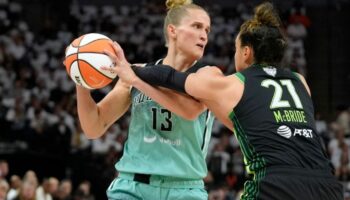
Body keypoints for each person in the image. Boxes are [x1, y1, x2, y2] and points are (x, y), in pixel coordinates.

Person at [106, 2, 343, 199]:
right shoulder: (300, 82)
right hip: (326, 183)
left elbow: (170, 77)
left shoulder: (234, 83)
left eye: (236, 49)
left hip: (275, 183)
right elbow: (258, 123)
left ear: (246, 52)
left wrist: (132, 72)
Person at [72, 0, 214, 199]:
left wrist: (136, 80)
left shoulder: (208, 75)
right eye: (197, 26)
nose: (204, 35)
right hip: (132, 186)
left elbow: (190, 111)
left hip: (184, 189)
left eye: (207, 30)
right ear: (173, 31)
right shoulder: (136, 73)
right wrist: (80, 78)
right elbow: (93, 127)